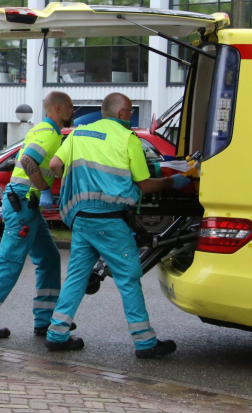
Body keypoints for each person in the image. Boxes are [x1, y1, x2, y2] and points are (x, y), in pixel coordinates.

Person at [43, 93, 190, 358]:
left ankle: (56, 334)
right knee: (129, 279)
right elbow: (144, 185)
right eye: (131, 112)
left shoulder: (79, 134)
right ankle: (145, 343)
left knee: (77, 276)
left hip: (81, 218)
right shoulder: (127, 139)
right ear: (122, 114)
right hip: (109, 220)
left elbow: (55, 165)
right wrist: (174, 182)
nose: (131, 117)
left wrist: (81, 181)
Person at [0, 91, 75, 339]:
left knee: (49, 257)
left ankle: (45, 320)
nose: (73, 112)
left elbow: (21, 158)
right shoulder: (48, 133)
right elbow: (27, 160)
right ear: (57, 109)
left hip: (24, 203)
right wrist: (45, 189)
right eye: (70, 107)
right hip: (24, 204)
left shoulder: (40, 130)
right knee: (10, 262)